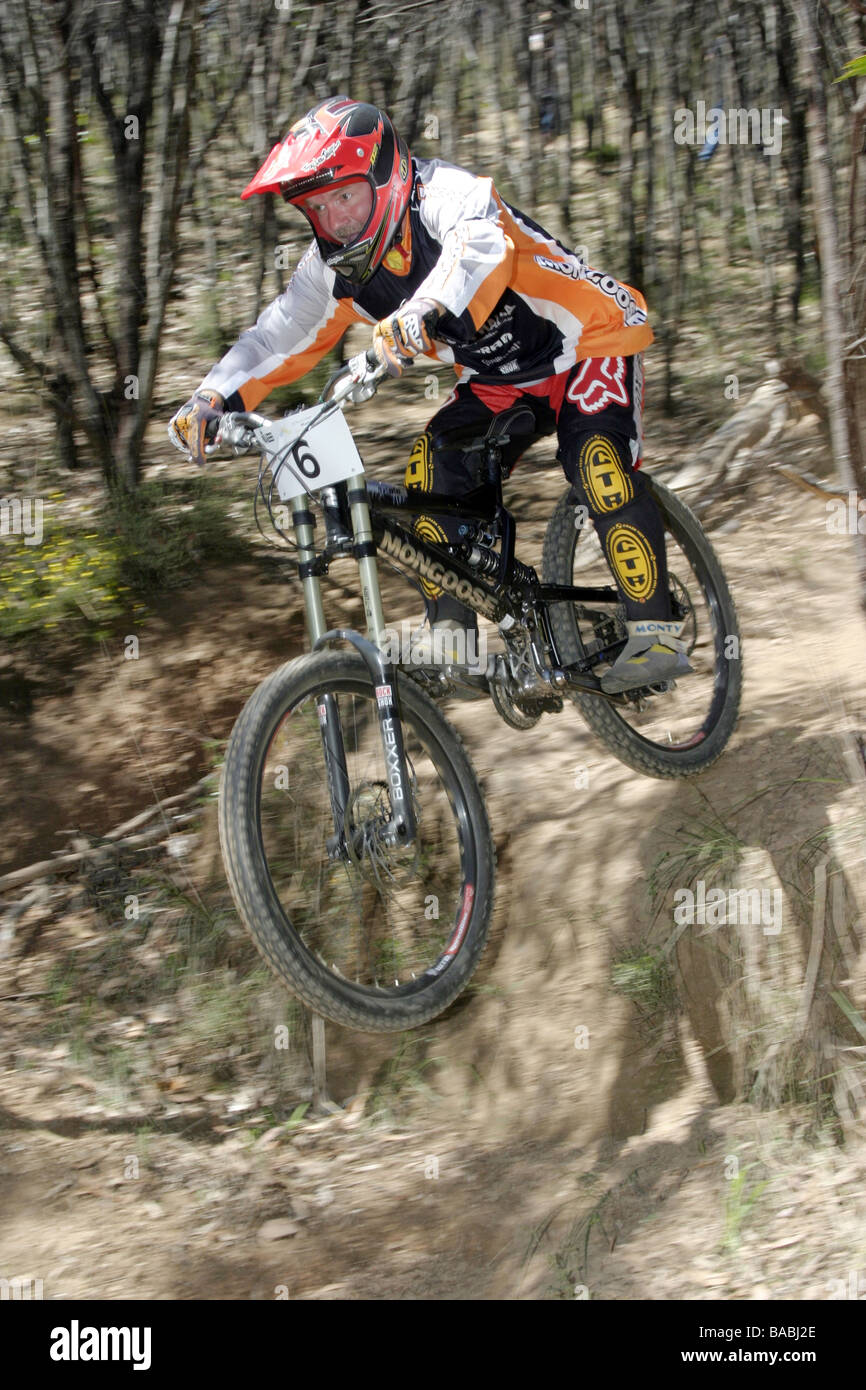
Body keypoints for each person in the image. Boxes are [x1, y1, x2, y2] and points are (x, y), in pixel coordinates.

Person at [168, 96, 691, 693]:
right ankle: (455, 639)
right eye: (317, 207)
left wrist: (421, 310)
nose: (335, 221)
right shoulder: (331, 270)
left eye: (345, 195)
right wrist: (212, 398)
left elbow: (478, 247)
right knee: (430, 468)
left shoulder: (448, 193)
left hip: (591, 341)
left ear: (387, 172)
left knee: (597, 464)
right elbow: (275, 336)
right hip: (500, 379)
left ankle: (657, 633)